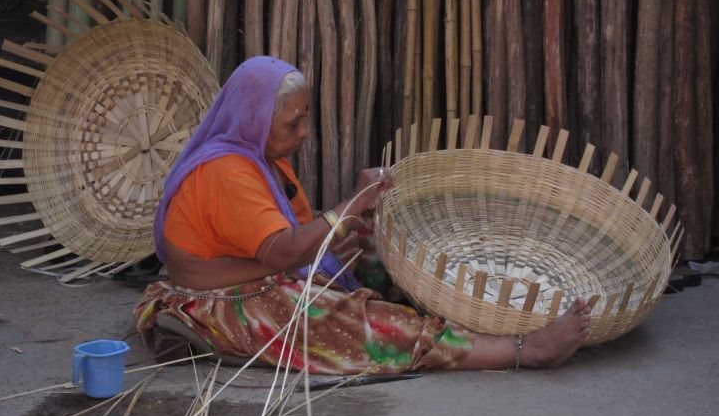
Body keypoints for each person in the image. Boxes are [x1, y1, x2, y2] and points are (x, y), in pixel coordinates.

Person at [134, 56, 591, 375]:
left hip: (262, 274)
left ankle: (480, 329)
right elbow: (281, 252)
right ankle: (523, 352)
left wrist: (346, 230)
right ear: (253, 120)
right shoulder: (225, 172)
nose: (304, 132)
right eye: (293, 123)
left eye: (305, 117)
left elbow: (292, 239)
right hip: (227, 302)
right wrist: (351, 205)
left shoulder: (258, 158)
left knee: (371, 257)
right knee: (374, 330)